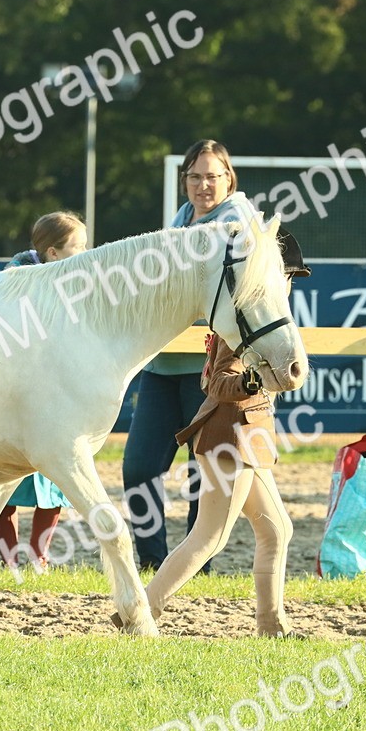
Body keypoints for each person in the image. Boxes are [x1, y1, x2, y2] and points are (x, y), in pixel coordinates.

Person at [127, 233, 311, 637]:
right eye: (286, 275)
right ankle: (138, 613)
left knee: (277, 529)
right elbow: (216, 381)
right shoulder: (245, 321)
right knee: (209, 537)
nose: (288, 284)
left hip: (249, 434)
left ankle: (271, 625)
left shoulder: (261, 317)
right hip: (231, 433)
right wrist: (248, 381)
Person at [122, 140, 238, 571]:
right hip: (162, 364)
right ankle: (154, 565)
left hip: (209, 372)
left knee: (202, 476)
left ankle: (194, 569)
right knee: (138, 469)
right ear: (184, 181)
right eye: (195, 176)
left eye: (212, 176)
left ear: (229, 179)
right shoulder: (178, 221)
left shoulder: (238, 224)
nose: (203, 184)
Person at [0, 211, 87, 567]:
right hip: (16, 392)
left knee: (53, 481)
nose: (86, 253)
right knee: (4, 478)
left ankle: (38, 557)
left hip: (56, 392)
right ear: (53, 253)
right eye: (79, 246)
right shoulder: (15, 284)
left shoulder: (77, 283)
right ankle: (9, 557)